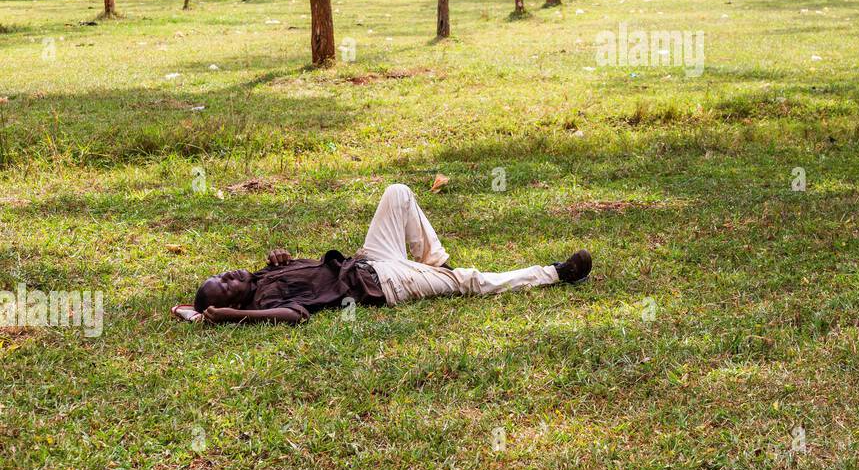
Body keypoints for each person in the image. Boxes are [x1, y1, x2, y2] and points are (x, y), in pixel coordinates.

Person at [173, 183, 592, 325]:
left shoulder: (263, 276)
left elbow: (189, 310)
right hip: (382, 283)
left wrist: (282, 258)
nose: (230, 274)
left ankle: (435, 264)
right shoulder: (262, 303)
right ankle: (556, 273)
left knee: (398, 193)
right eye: (226, 284)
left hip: (367, 258)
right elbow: (295, 317)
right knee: (472, 283)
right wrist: (228, 317)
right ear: (235, 301)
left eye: (222, 272)